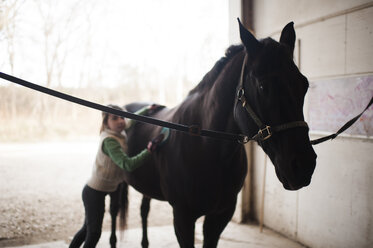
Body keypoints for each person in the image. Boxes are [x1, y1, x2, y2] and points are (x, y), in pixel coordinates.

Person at [69, 104, 163, 248]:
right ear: (106, 123)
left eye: (122, 117)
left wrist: (147, 109)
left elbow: (131, 120)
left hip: (103, 189)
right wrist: (149, 150)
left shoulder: (120, 129)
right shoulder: (110, 141)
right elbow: (128, 165)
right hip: (94, 192)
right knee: (93, 233)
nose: (120, 121)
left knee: (87, 229)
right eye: (114, 118)